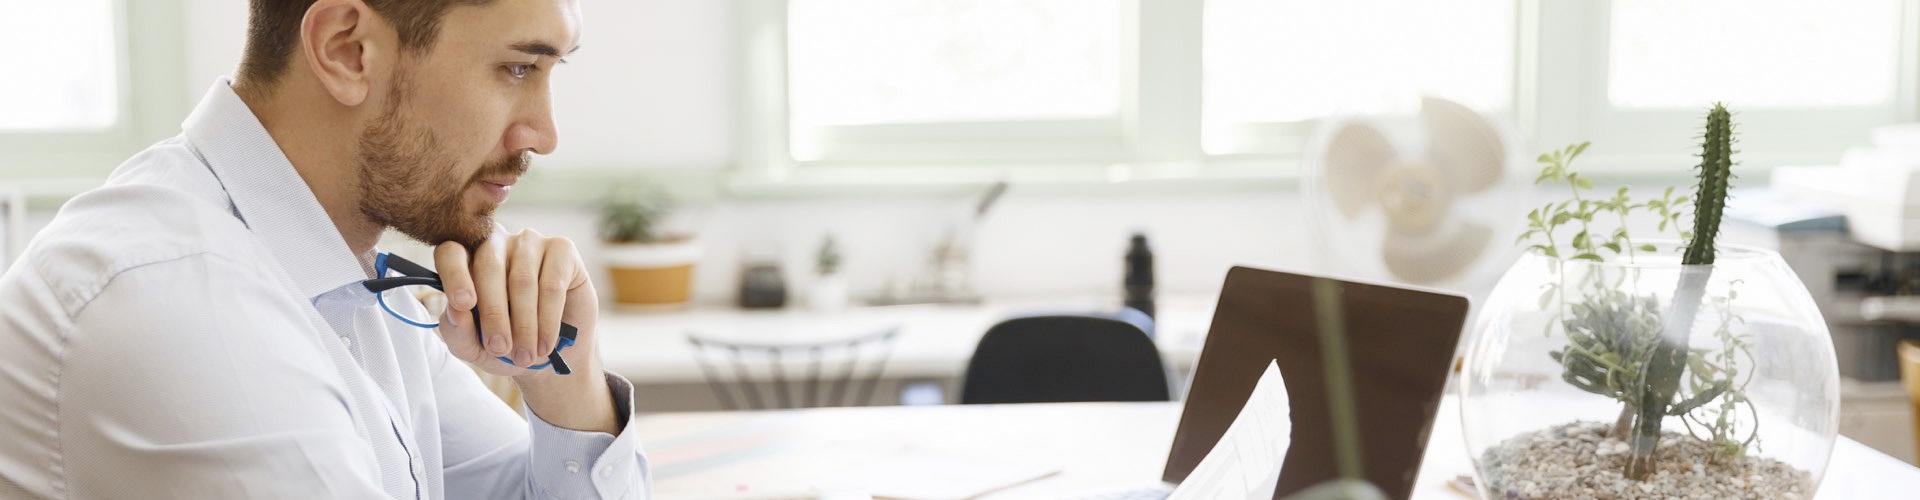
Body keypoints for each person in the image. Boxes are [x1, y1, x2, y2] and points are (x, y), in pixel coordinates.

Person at [0, 0, 650, 498]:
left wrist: (564, 377)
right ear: (347, 50)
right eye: (517, 68)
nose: (545, 131)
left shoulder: (347, 278)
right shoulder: (174, 300)